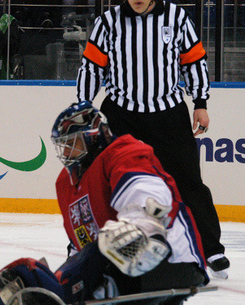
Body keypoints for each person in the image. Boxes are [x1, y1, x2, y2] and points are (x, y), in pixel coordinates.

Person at [0, 102, 208, 305]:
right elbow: (82, 246)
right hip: (119, 266)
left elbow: (146, 190)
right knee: (86, 258)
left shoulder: (122, 151)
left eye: (74, 144)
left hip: (168, 258)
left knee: (112, 241)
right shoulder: (66, 183)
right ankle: (56, 295)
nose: (68, 152)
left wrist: (141, 227)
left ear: (95, 136)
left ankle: (67, 303)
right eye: (64, 146)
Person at [75, 0, 229, 279]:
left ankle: (210, 249)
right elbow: (91, 67)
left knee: (188, 181)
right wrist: (85, 106)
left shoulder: (176, 17)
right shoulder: (107, 22)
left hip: (168, 114)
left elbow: (193, 60)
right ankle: (88, 245)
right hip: (121, 114)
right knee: (104, 182)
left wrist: (200, 102)